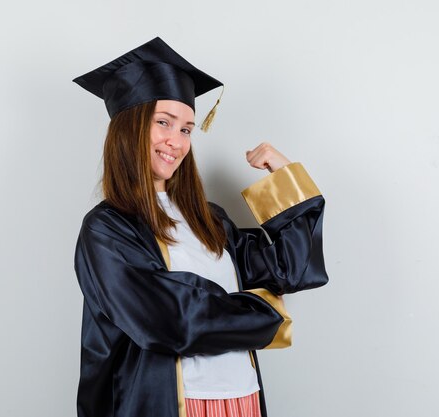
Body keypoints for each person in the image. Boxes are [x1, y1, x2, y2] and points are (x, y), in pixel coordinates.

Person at [72, 37, 328, 417]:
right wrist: (266, 313)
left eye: (187, 129)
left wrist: (285, 179)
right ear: (129, 128)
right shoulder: (107, 229)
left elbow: (289, 269)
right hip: (169, 404)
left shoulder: (209, 220)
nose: (175, 142)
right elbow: (173, 320)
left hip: (242, 399)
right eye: (163, 123)